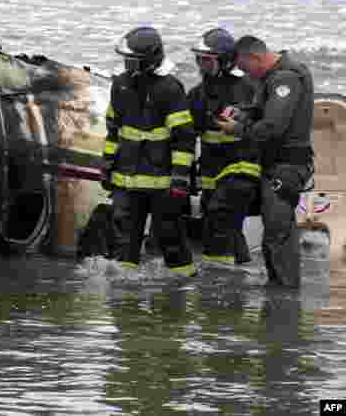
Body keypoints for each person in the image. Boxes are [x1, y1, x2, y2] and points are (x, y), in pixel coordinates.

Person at [215, 35, 314, 288]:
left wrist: (237, 129)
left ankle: (285, 296)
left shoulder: (286, 78)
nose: (246, 74)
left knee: (277, 234)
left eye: (245, 67)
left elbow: (273, 127)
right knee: (276, 230)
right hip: (275, 164)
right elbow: (263, 111)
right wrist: (243, 112)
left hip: (287, 166)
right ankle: (280, 288)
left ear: (255, 57)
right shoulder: (271, 76)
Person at [102, 26, 196, 276]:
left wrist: (179, 178)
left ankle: (184, 288)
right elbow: (113, 130)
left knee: (170, 239)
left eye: (132, 61)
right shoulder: (120, 85)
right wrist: (107, 164)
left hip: (163, 184)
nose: (126, 65)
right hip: (126, 180)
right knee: (123, 242)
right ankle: (122, 297)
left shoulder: (170, 89)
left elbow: (183, 138)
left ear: (149, 61)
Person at [187, 28, 260, 268]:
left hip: (241, 169)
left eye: (206, 60)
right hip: (210, 174)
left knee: (220, 218)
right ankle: (240, 271)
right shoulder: (197, 94)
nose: (201, 65)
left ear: (225, 60)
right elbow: (186, 133)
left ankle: (219, 279)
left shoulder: (248, 88)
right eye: (198, 59)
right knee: (218, 221)